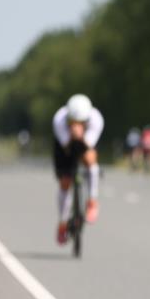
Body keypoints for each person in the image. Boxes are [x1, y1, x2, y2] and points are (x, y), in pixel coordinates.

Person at [52, 94, 104, 244]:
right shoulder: (59, 120)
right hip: (64, 146)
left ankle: (92, 201)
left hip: (86, 142)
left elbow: (88, 146)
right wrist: (72, 136)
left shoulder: (96, 119)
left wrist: (81, 136)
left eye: (81, 122)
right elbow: (66, 148)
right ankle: (62, 222)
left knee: (90, 159)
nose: (76, 124)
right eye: (73, 122)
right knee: (65, 181)